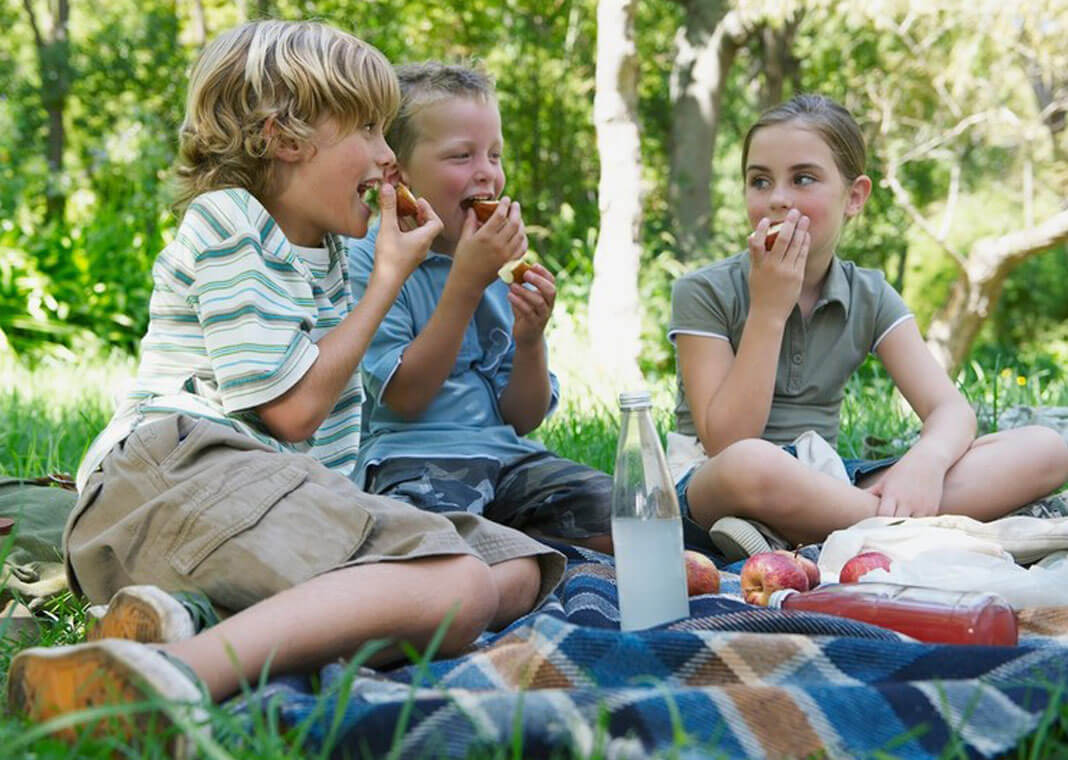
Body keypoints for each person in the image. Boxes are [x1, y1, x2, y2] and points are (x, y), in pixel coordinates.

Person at [6, 21, 564, 752]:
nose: (388, 155)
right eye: (367, 128)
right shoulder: (232, 222)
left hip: (268, 491)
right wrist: (390, 276)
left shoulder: (334, 248)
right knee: (454, 587)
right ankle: (165, 674)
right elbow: (294, 408)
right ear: (283, 137)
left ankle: (183, 621)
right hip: (172, 469)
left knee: (517, 567)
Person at [668, 94, 1068, 561]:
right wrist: (769, 310)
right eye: (760, 181)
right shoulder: (702, 290)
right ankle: (912, 531)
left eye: (802, 178)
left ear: (854, 197)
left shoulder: (869, 294)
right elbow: (728, 440)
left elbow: (950, 411)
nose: (777, 198)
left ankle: (817, 528)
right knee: (749, 464)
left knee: (1045, 449)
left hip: (828, 480)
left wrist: (925, 464)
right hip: (716, 481)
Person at [347, 62, 613, 554]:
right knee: (433, 541)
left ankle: (520, 554)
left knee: (619, 514)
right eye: (461, 156)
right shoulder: (374, 258)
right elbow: (404, 398)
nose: (487, 172)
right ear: (398, 173)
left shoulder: (498, 263)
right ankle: (506, 560)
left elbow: (523, 416)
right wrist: (465, 282)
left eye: (494, 154)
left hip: (508, 456)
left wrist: (531, 339)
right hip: (412, 459)